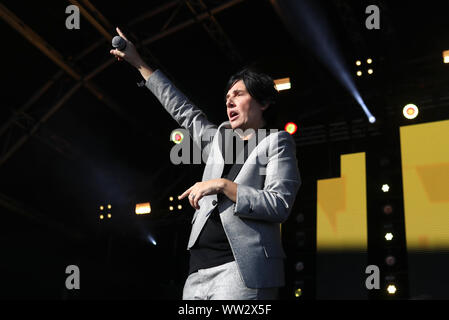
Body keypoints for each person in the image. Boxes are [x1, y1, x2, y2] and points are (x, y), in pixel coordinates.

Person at [110, 27, 301, 300]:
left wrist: (223, 186)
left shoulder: (277, 142)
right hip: (197, 273)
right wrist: (138, 62)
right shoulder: (219, 141)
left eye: (238, 94)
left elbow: (279, 203)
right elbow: (182, 109)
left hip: (240, 271)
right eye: (227, 98)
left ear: (263, 103)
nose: (229, 101)